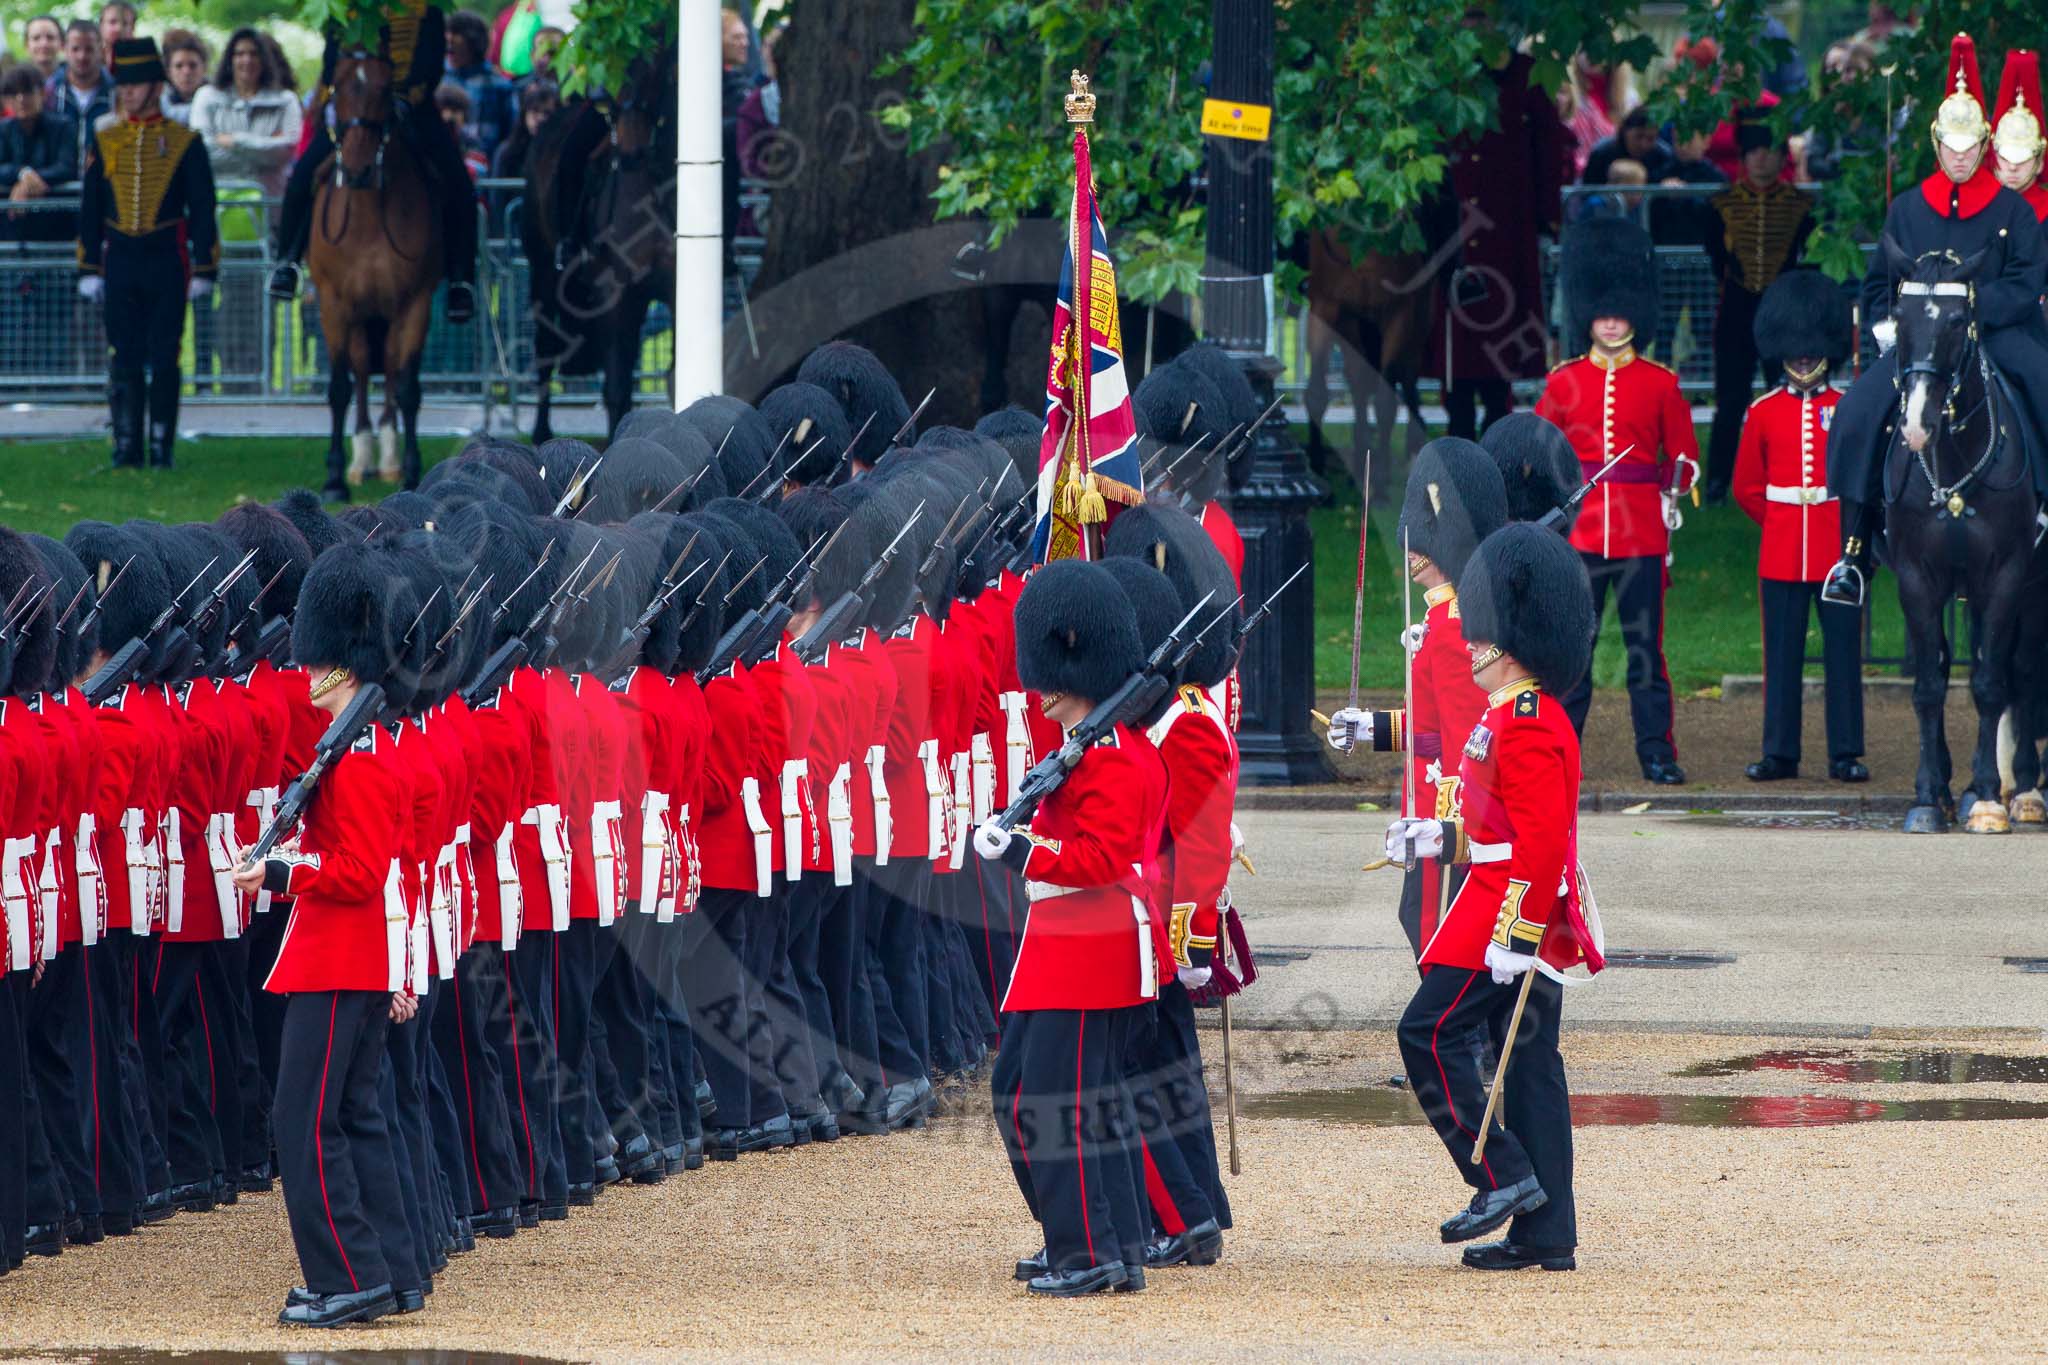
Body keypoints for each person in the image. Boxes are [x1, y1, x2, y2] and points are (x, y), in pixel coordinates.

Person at [1386, 520, 1602, 1274]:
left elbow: (1540, 845)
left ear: (1513, 645)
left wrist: (1515, 933)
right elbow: (1493, 824)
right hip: (1499, 897)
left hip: (1510, 912)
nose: (1472, 647)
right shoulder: (1504, 713)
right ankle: (1546, 1232)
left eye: (1485, 639)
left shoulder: (1531, 720)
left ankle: (1501, 1175)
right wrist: (1431, 839)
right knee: (1530, 1063)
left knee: (1428, 1034)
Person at [231, 543, 414, 1329]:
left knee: (303, 1119)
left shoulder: (358, 758)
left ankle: (346, 1275)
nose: (304, 672)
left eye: (316, 661)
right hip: (346, 954)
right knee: (353, 1114)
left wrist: (277, 874)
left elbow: (360, 870)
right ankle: (391, 1270)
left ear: (340, 663)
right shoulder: (345, 747)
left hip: (340, 957)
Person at [975, 558, 1166, 1298]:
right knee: (1020, 1091)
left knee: (1058, 1106)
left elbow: (1100, 857)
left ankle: (1086, 1250)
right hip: (1059, 946)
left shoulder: (1114, 756)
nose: (1039, 685)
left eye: (1051, 670)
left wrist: (1020, 846)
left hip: (1091, 947)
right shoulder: (1086, 747)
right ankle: (1103, 1241)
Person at [1823, 33, 2048, 607]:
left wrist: (1975, 312)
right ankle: (1853, 549)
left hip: (1996, 337)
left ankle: (2041, 507)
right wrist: (1887, 331)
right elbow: (1879, 282)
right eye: (1951, 146)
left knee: (2044, 386)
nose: (1960, 156)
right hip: (1919, 347)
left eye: (1970, 146)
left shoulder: (2013, 210)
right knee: (1855, 412)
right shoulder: (1907, 208)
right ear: (1936, 144)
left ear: (1984, 146)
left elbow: (2026, 282)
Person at [1325, 438, 1508, 960]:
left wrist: (1448, 832)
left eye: (1421, 540)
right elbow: (1429, 725)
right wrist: (1371, 728)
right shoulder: (1441, 616)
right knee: (1422, 923)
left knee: (1436, 931)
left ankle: (1461, 1039)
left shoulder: (1453, 626)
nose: (1410, 551)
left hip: (1442, 810)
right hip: (1426, 800)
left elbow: (1462, 742)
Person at [1536, 216, 1698, 785]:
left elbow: (1683, 455)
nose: (1609, 322)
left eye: (1618, 313)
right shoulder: (1563, 382)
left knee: (1645, 655)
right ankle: (1559, 754)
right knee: (1573, 656)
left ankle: (1656, 751)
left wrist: (1676, 480)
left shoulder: (1660, 383)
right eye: (1600, 313)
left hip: (1640, 537)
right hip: (1579, 535)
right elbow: (1540, 455)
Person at [1733, 269, 1866, 784]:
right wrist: (1782, 525)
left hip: (1835, 549)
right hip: (1783, 550)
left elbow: (1859, 483)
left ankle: (1846, 753)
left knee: (1842, 655)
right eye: (1797, 350)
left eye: (1812, 350)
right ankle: (1780, 753)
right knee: (1782, 658)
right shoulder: (1764, 412)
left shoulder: (1847, 408)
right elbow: (1747, 487)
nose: (1805, 358)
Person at [268, 0, 479, 324]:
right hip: (356, 110)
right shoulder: (347, 7)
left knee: (458, 182)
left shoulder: (426, 9)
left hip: (410, 107)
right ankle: (288, 262)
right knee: (304, 174)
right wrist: (337, 95)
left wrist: (404, 98)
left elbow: (431, 64)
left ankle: (461, 279)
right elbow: (331, 60)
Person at [77, 37, 218, 470]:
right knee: (124, 353)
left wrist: (205, 266)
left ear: (156, 86)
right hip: (119, 259)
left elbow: (203, 208)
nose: (129, 92)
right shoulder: (106, 140)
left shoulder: (184, 141)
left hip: (166, 260)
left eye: (137, 84)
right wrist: (89, 266)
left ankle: (161, 447)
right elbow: (91, 208)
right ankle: (126, 446)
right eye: (124, 84)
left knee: (165, 353)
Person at [1427, 21, 1566, 439]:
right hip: (1451, 234)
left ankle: (1496, 422)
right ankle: (1459, 425)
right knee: (1456, 345)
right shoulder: (1443, 76)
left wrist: (1546, 217)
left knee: (1499, 345)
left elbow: (1549, 150)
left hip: (1507, 232)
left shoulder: (1527, 75)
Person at [1702, 112, 1815, 502]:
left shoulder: (1801, 205)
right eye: (1754, 152)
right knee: (1730, 401)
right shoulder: (1721, 204)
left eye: (1769, 151)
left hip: (1782, 310)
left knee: (1785, 397)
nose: (1762, 159)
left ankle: (1785, 476)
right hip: (1736, 308)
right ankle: (1717, 482)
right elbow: (1716, 256)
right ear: (1744, 157)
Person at [191, 28, 301, 389]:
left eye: (253, 53)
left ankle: (258, 382)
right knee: (224, 307)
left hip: (266, 220)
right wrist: (259, 152)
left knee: (258, 307)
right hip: (218, 221)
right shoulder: (208, 96)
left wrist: (234, 141)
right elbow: (202, 150)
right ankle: (229, 381)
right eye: (239, 53)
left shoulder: (284, 100)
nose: (246, 60)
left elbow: (286, 147)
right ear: (229, 58)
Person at [443, 9, 512, 164]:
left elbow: (511, 133)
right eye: (447, 32)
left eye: (456, 33)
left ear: (474, 41)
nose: (449, 39)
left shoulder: (498, 84)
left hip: (485, 170)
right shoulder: (438, 80)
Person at [1992, 49, 2048, 222]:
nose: (2013, 167)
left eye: (2022, 159)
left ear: (2039, 162)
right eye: (2005, 158)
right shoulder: (1982, 205)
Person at [48, 21, 112, 166]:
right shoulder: (50, 92)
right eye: (75, 49)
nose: (82, 56)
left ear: (101, 50)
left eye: (89, 49)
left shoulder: (116, 93)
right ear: (64, 49)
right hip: (57, 183)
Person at [1580, 107, 1674, 188]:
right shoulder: (1602, 153)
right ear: (1625, 131)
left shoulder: (1664, 156)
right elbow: (1587, 192)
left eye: (1650, 139)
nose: (1643, 144)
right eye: (1638, 136)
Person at [490, 74, 553, 180]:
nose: (540, 118)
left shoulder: (561, 151)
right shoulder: (506, 151)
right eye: (535, 111)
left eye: (546, 113)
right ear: (524, 115)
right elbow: (497, 192)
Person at [158, 29, 207, 124]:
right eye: (179, 66)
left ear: (204, 68)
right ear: (168, 71)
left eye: (193, 65)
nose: (186, 72)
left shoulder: (217, 96)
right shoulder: (158, 100)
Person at [22, 15, 63, 85]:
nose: (44, 44)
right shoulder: (14, 83)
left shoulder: (80, 79)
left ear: (61, 43)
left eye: (50, 37)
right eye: (36, 38)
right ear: (26, 45)